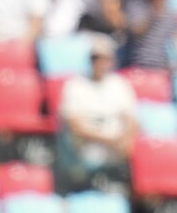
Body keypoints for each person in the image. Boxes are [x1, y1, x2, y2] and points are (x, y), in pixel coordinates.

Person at [56, 33, 137, 193]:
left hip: (116, 149)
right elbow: (75, 127)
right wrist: (110, 140)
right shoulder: (75, 86)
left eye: (103, 58)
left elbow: (131, 120)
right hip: (87, 149)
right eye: (95, 58)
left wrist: (125, 140)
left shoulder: (120, 85)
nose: (99, 63)